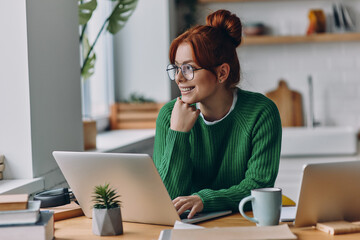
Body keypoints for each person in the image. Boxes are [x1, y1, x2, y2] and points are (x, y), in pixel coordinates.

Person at [153, 9, 282, 219]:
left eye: (188, 68)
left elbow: (259, 185)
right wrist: (178, 133)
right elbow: (167, 197)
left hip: (242, 224)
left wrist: (205, 200)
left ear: (222, 72)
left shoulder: (261, 112)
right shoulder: (169, 116)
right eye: (176, 68)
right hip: (187, 228)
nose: (179, 78)